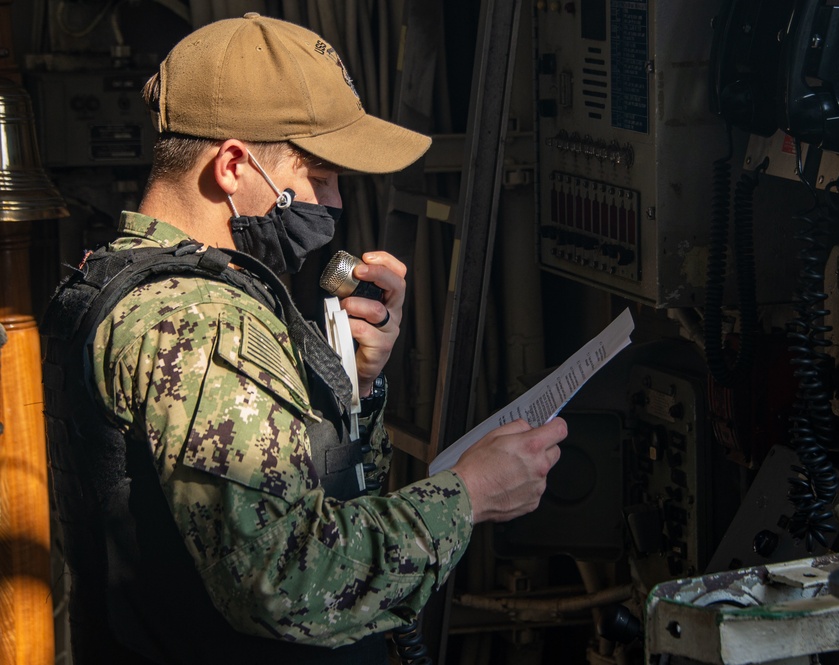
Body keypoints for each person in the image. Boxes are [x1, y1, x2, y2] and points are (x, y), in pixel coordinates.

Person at [41, 13, 566, 665]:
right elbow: (286, 580)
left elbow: (294, 504)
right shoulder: (202, 318)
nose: (335, 200)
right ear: (232, 164)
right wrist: (467, 496)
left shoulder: (116, 277)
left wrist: (354, 383)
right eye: (319, 175)